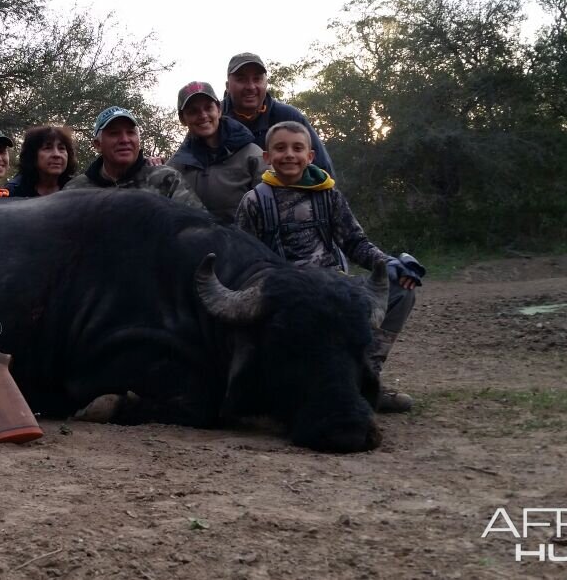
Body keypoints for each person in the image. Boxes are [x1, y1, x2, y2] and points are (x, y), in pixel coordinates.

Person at [233, 121, 424, 413]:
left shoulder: (329, 195)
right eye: (280, 148)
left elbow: (355, 243)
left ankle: (365, 379)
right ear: (267, 157)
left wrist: (388, 264)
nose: (289, 155)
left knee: (402, 291)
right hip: (287, 299)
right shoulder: (253, 201)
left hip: (335, 291)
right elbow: (244, 259)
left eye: (298, 148)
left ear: (310, 156)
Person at [63, 106, 204, 210]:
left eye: (130, 132)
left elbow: (200, 228)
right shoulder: (75, 190)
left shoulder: (165, 179)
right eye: (114, 133)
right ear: (97, 144)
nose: (125, 140)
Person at [166, 81, 266, 224]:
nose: (203, 115)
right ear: (182, 119)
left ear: (218, 110)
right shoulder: (174, 167)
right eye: (193, 111)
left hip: (245, 243)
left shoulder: (253, 155)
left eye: (208, 108)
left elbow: (272, 207)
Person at [223, 52, 335, 175]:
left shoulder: (289, 117)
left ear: (266, 83)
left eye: (257, 79)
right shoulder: (213, 119)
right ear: (228, 86)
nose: (250, 86)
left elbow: (323, 170)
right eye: (241, 79)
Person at [6, 124, 77, 197]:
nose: (57, 155)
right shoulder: (14, 191)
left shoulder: (76, 189)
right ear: (32, 155)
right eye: (47, 148)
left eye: (61, 148)